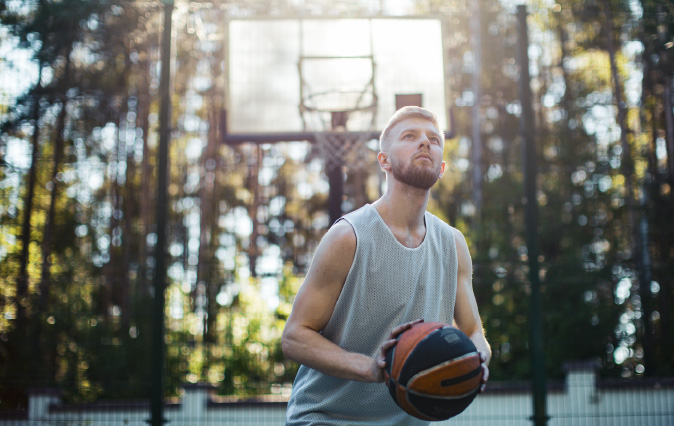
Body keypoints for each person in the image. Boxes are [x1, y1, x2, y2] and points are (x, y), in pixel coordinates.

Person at [282, 106, 491, 425]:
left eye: (433, 139)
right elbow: (295, 336)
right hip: (327, 418)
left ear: (442, 167)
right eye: (410, 136)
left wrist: (475, 359)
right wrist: (369, 368)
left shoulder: (453, 244)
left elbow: (474, 330)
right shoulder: (348, 236)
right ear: (384, 160)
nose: (425, 143)